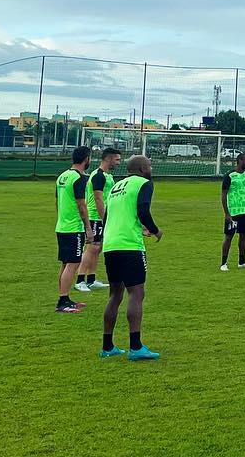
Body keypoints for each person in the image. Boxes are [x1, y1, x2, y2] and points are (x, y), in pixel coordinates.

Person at [100, 154, 163, 360]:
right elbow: (142, 209)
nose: (151, 169)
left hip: (111, 245)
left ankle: (107, 346)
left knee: (115, 295)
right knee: (136, 293)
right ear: (143, 169)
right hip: (130, 246)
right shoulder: (144, 183)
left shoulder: (116, 187)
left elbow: (107, 216)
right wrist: (154, 230)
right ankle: (135, 346)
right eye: (150, 166)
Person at [54, 146, 92, 313]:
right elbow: (82, 205)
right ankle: (62, 302)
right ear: (86, 159)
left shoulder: (62, 176)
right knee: (73, 263)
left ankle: (65, 297)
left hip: (62, 226)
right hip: (73, 227)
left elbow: (57, 202)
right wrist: (88, 228)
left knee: (66, 263)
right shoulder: (79, 178)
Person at [76, 146, 119, 292]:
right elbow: (98, 199)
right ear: (109, 159)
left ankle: (91, 279)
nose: (119, 163)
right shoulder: (98, 176)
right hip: (96, 216)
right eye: (117, 159)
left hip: (101, 217)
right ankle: (80, 280)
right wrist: (105, 219)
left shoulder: (108, 176)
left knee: (98, 248)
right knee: (92, 247)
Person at [220, 153, 245, 271]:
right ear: (239, 161)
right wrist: (227, 213)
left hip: (244, 212)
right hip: (233, 212)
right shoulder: (230, 176)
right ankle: (224, 263)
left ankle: (242, 261)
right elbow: (224, 194)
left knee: (244, 236)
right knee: (229, 237)